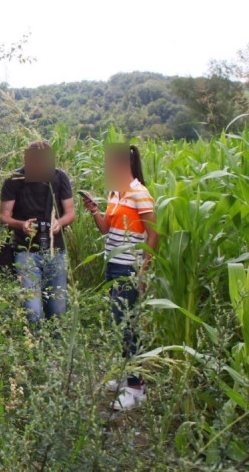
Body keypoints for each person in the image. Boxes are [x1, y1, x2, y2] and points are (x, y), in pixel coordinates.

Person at [82, 143, 159, 412]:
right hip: (112, 266)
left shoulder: (140, 193)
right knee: (119, 324)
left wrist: (143, 271)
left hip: (129, 268)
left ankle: (137, 388)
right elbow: (106, 228)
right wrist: (94, 209)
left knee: (127, 325)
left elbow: (154, 235)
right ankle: (129, 377)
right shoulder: (116, 192)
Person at [0, 140, 76, 326]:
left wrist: (59, 223)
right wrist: (21, 224)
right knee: (32, 310)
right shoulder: (14, 180)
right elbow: (4, 216)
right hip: (25, 251)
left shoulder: (59, 178)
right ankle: (35, 349)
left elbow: (70, 213)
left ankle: (55, 352)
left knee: (58, 310)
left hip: (55, 250)